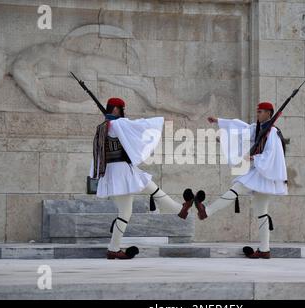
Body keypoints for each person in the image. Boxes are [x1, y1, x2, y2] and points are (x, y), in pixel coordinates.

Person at [179, 102, 288, 259]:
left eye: (261, 112)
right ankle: (264, 250)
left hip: (265, 174)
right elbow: (241, 132)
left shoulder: (273, 132)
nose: (258, 114)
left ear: (270, 113)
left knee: (237, 189)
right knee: (262, 213)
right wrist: (219, 123)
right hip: (259, 172)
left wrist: (253, 157)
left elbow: (272, 154)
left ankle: (206, 211)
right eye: (257, 111)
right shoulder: (259, 128)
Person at [90, 97, 192, 259]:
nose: (123, 113)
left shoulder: (102, 127)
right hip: (122, 172)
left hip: (114, 172)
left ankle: (180, 210)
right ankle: (113, 248)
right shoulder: (118, 124)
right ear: (116, 110)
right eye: (121, 110)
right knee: (125, 212)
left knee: (149, 185)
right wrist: (160, 121)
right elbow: (140, 125)